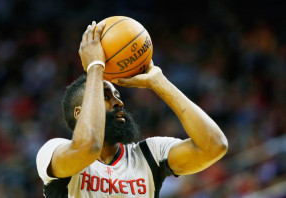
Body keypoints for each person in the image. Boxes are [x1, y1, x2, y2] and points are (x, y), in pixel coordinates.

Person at [36, 21, 228, 198]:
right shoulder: (52, 150)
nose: (118, 102)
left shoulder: (149, 154)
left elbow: (214, 146)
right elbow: (88, 147)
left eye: (118, 96)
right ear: (79, 112)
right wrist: (95, 67)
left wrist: (159, 82)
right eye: (106, 96)